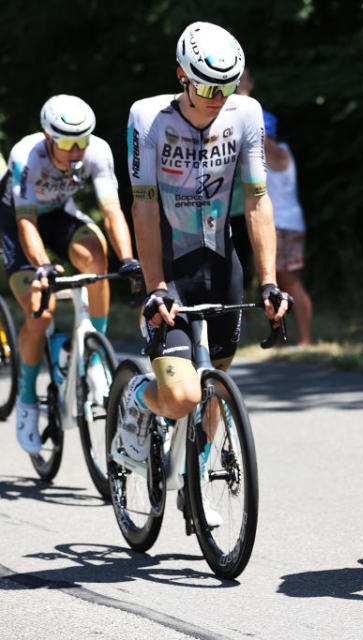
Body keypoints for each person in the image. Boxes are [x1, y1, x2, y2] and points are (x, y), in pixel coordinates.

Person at [123, 22, 289, 484]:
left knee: (213, 388)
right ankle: (137, 398)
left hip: (221, 264)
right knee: (181, 397)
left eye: (227, 85)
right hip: (171, 268)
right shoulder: (148, 118)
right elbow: (144, 205)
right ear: (181, 75)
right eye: (207, 85)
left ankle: (196, 473)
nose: (218, 96)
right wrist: (156, 286)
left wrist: (269, 281)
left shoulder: (246, 114)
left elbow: (257, 200)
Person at [0, 95, 138, 453]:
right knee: (39, 308)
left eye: (83, 141)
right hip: (17, 222)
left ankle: (95, 357)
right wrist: (41, 264)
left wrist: (128, 259)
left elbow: (112, 211)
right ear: (48, 137)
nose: (77, 151)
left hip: (60, 214)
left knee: (97, 258)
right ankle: (28, 402)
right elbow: (26, 221)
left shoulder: (97, 151)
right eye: (67, 143)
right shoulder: (27, 155)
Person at [263, 111, 314, 346]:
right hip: (284, 224)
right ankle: (284, 337)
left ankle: (305, 339)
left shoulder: (272, 149)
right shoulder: (279, 149)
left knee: (289, 281)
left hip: (283, 224)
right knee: (280, 283)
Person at [228, 69, 256, 296]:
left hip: (245, 207)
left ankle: (240, 323)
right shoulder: (221, 111)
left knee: (241, 265)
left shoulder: (252, 113)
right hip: (225, 207)